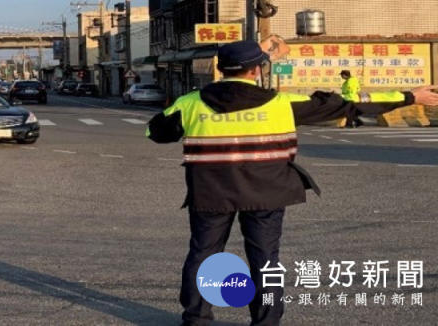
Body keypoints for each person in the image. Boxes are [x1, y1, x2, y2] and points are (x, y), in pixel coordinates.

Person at [146, 41, 438, 326]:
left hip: (210, 194)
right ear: (256, 70)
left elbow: (155, 132)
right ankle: (267, 319)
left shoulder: (190, 103)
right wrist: (410, 96)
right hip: (268, 194)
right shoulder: (282, 103)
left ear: (221, 69)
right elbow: (347, 105)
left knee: (204, 253)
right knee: (265, 258)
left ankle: (196, 318)